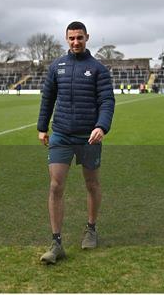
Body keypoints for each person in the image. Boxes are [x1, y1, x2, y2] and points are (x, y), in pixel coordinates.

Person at [37, 21, 115, 265]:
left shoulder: (98, 69)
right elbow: (48, 97)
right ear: (66, 39)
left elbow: (107, 101)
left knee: (91, 184)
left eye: (79, 37)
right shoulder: (57, 66)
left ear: (87, 37)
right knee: (55, 186)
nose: (75, 42)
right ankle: (56, 243)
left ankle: (91, 229)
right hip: (61, 133)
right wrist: (42, 127)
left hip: (88, 136)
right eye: (71, 38)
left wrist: (101, 126)